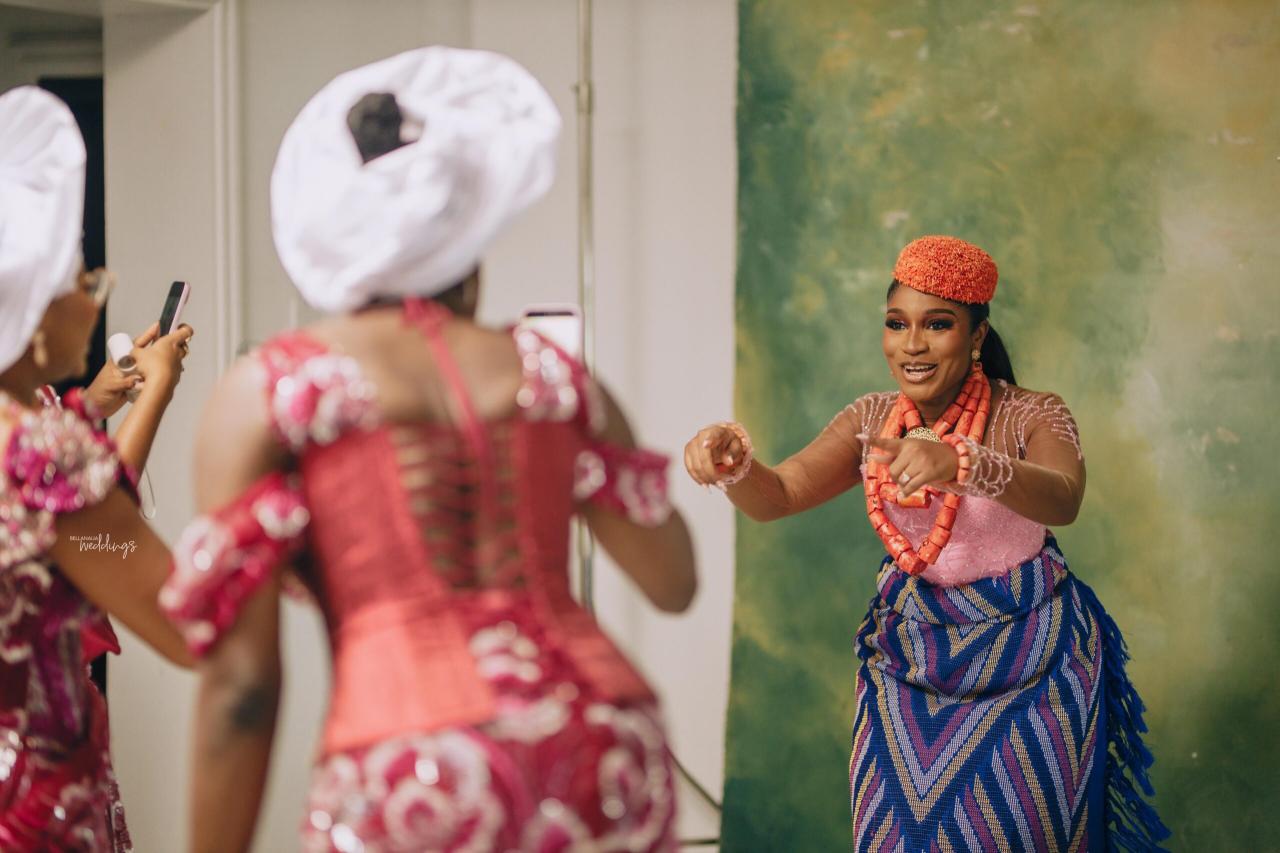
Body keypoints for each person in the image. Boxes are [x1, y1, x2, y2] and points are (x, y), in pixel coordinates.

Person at [161, 47, 696, 853]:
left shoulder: (277, 389)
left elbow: (242, 688)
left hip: (415, 764)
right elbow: (673, 580)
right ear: (466, 246)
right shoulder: (551, 374)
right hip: (606, 742)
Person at [685, 236, 1169, 851]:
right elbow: (778, 495)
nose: (911, 344)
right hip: (907, 658)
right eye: (897, 324)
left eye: (937, 324)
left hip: (1033, 661)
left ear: (976, 335)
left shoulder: (1032, 413)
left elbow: (1065, 497)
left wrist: (965, 463)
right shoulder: (871, 419)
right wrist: (735, 467)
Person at [0, 86, 194, 850]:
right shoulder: (42, 448)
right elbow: (100, 533)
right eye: (84, 285)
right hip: (31, 786)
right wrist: (158, 396)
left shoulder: (38, 416)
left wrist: (102, 398)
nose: (92, 303)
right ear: (28, 313)